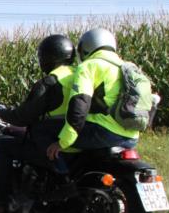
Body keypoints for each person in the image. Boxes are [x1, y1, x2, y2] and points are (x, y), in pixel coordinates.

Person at [0, 34, 76, 213]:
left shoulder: (51, 82)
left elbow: (23, 115)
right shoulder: (81, 75)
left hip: (50, 140)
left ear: (48, 57)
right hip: (77, 138)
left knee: (4, 145)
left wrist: (1, 112)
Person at [46, 28, 140, 162]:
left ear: (86, 47)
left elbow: (79, 105)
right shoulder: (126, 67)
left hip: (103, 133)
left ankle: (61, 176)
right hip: (132, 137)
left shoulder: (89, 66)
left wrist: (63, 142)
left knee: (43, 129)